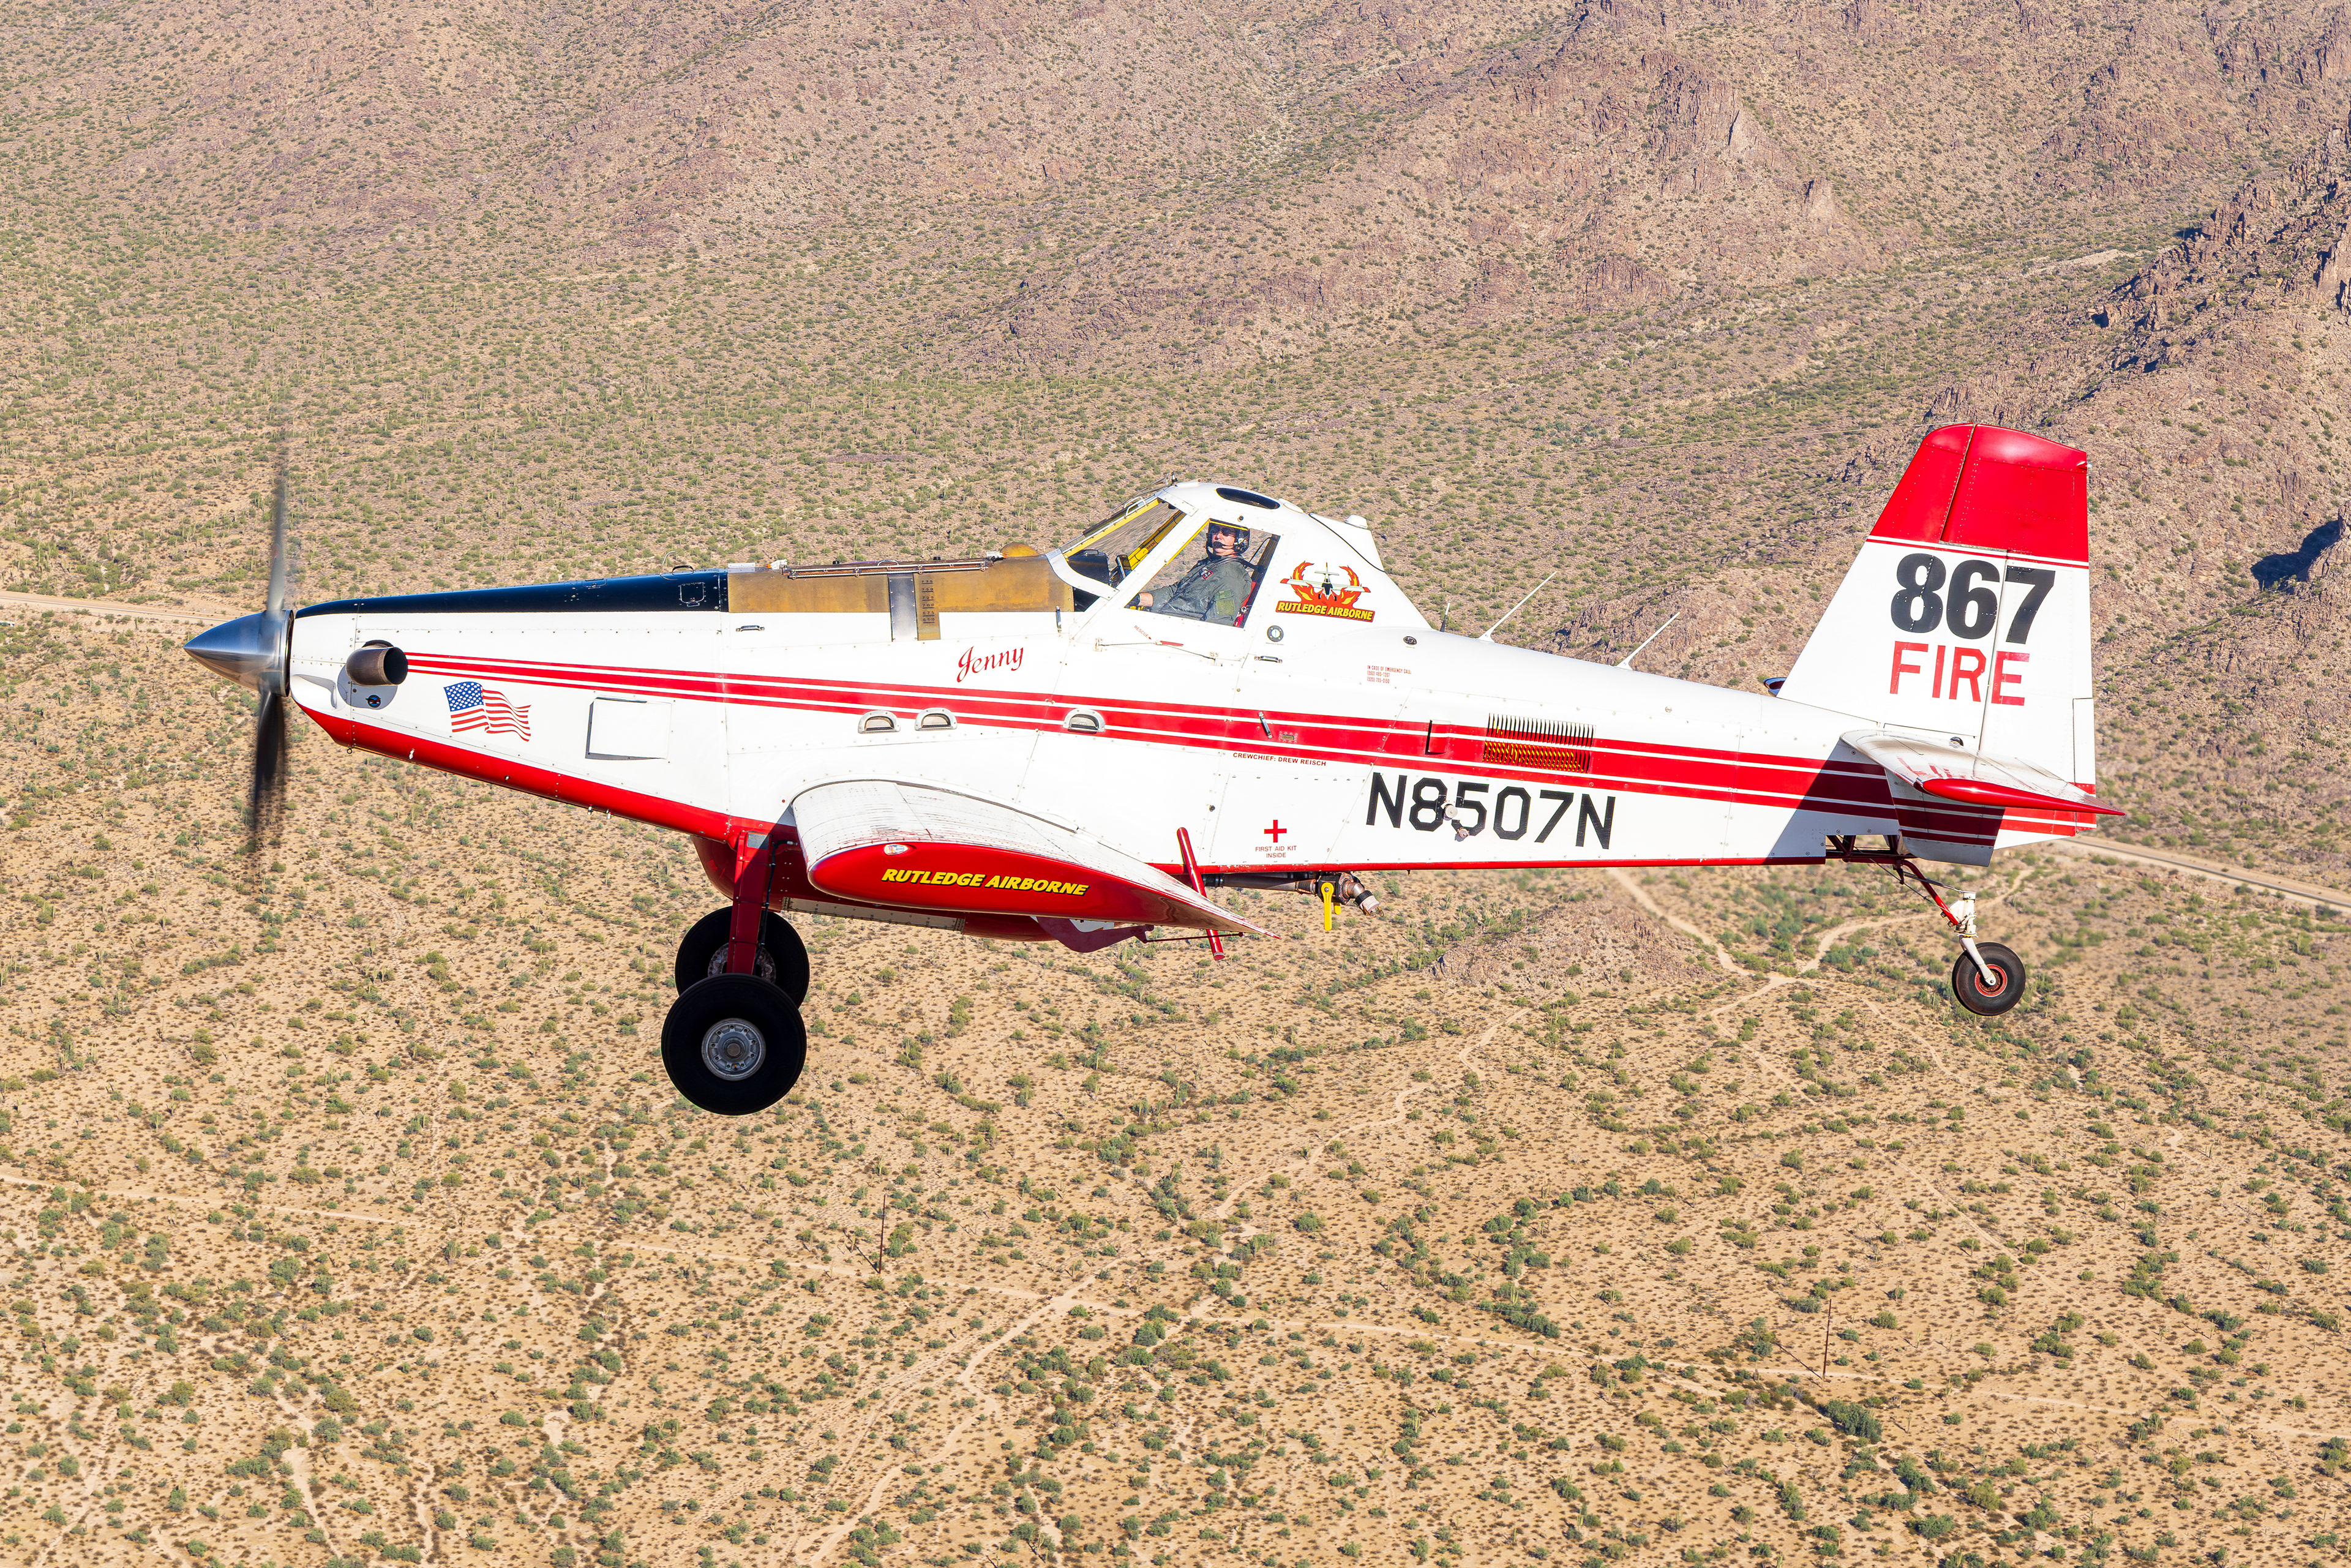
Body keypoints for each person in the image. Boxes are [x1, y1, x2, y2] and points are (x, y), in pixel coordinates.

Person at [1138, 523, 1254, 623]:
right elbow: (1174, 592)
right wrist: (1138, 599)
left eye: (1226, 533)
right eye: (1215, 531)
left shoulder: (1231, 580)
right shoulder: (1208, 565)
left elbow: (1218, 624)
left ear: (1240, 540)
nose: (1218, 536)